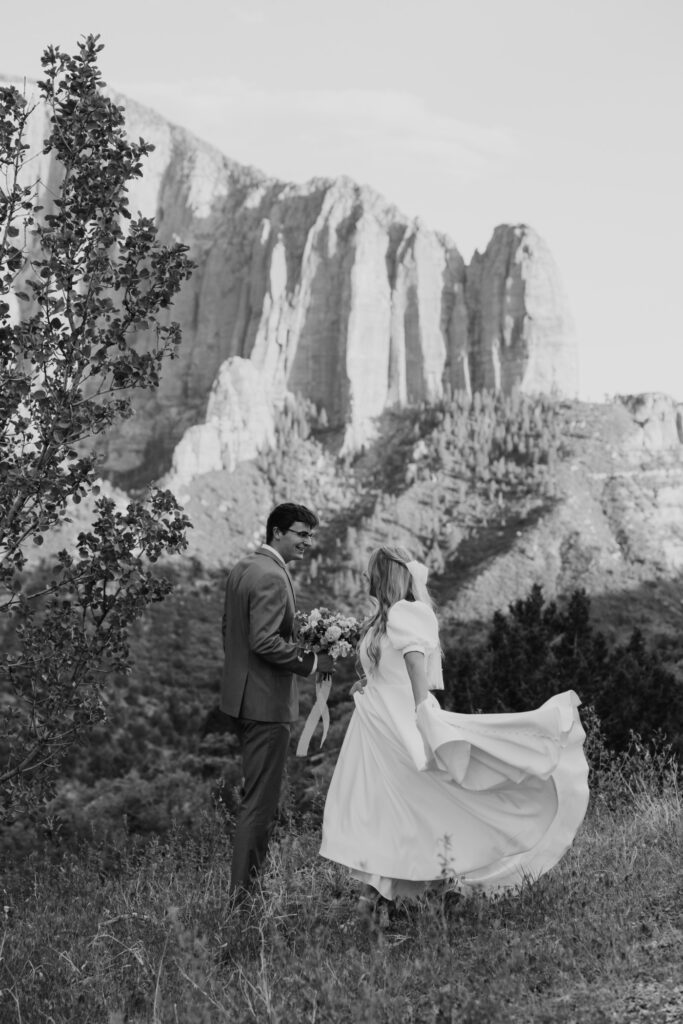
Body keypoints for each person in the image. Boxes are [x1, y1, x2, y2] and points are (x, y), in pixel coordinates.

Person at [320, 545, 589, 915]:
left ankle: (395, 895)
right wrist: (365, 683)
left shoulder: (405, 613)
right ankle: (399, 892)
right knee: (383, 806)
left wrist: (423, 714)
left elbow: (415, 668)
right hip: (375, 724)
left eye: (370, 573)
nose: (366, 579)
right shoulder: (381, 619)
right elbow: (388, 668)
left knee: (405, 803)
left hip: (397, 724)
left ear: (384, 576)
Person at [221, 502, 335, 898]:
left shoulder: (244, 568)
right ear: (277, 533)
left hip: (241, 699)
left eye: (309, 535)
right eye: (301, 534)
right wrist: (314, 661)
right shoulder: (271, 576)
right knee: (260, 806)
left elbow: (231, 632)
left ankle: (245, 893)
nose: (308, 542)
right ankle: (244, 901)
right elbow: (264, 640)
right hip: (266, 705)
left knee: (255, 799)